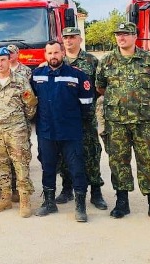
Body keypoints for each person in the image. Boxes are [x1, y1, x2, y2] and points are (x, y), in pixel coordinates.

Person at [95, 22, 150, 224]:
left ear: (135, 36)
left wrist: (138, 102)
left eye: (126, 34)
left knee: (147, 161)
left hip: (143, 121)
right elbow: (101, 88)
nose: (121, 38)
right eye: (119, 34)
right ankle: (122, 202)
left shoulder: (148, 59)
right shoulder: (107, 61)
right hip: (116, 121)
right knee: (118, 161)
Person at [32, 41, 93, 222]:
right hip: (46, 131)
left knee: (76, 168)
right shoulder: (37, 75)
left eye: (56, 52)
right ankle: (49, 203)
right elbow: (32, 100)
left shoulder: (77, 76)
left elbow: (87, 105)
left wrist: (72, 120)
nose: (53, 56)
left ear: (62, 53)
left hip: (70, 132)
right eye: (50, 53)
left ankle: (80, 206)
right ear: (45, 55)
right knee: (47, 167)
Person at [55, 27, 107, 210]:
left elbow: (100, 87)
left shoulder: (91, 61)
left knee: (91, 153)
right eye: (66, 38)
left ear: (80, 39)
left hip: (85, 117)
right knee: (64, 154)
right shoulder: (58, 60)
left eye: (72, 37)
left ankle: (96, 192)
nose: (69, 41)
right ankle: (67, 188)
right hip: (64, 118)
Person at [0, 47, 38, 217]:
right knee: (0, 165)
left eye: (3, 60)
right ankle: (5, 197)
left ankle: (24, 200)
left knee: (21, 165)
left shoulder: (21, 80)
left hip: (16, 130)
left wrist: (21, 122)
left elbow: (31, 104)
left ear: (9, 61)